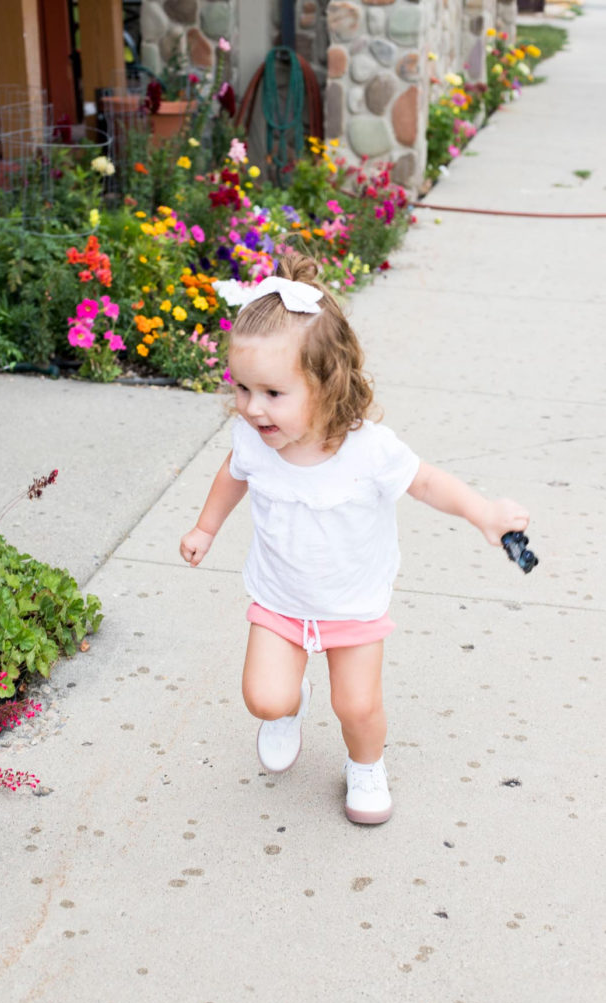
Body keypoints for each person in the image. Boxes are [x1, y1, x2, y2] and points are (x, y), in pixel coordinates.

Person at [179, 253, 530, 825]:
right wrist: (205, 527)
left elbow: (426, 483)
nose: (251, 407)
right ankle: (290, 706)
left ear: (326, 384)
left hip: (353, 603)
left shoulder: (369, 449)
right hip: (281, 599)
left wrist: (483, 511)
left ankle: (366, 766)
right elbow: (231, 476)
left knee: (358, 705)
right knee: (264, 697)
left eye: (272, 393)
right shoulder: (253, 442)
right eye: (242, 388)